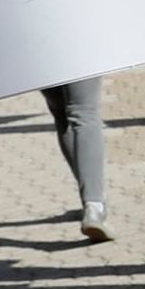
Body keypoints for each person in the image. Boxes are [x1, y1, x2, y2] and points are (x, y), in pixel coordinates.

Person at [43, 79, 112, 245]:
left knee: (61, 113)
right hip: (76, 53)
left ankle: (91, 197)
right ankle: (94, 206)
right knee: (84, 113)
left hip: (35, 56)